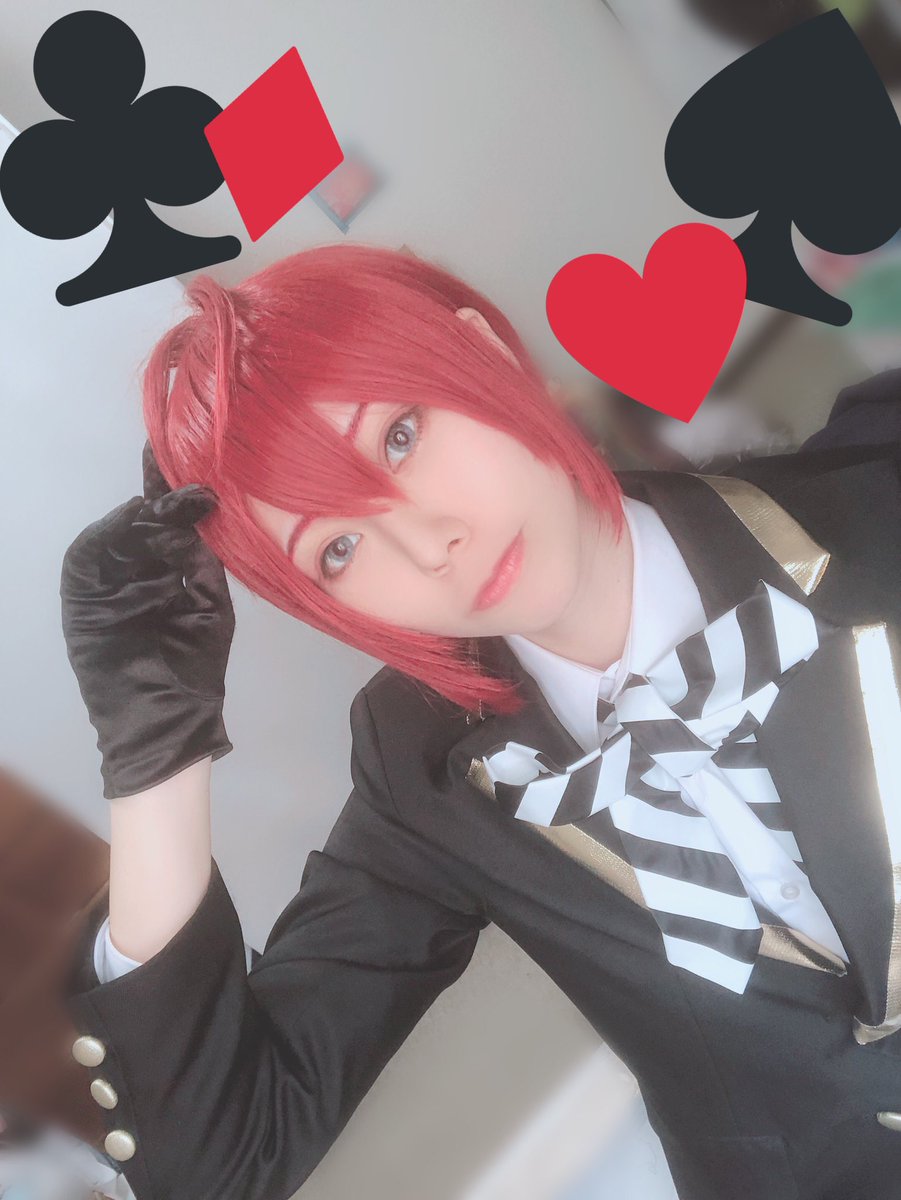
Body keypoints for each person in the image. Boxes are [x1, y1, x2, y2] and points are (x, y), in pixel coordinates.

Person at [57, 243, 901, 1200]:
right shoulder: (425, 768)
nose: (428, 546)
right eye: (337, 548)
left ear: (482, 354)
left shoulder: (874, 497)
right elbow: (221, 1163)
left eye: (399, 438)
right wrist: (153, 748)